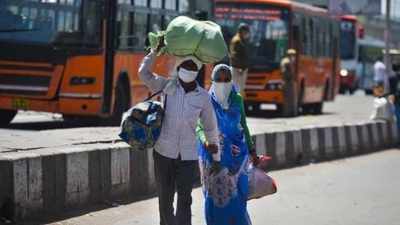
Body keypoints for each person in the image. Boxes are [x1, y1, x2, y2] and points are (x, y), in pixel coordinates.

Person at [138, 43, 220, 225]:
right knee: (165, 199)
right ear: (179, 68)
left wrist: (216, 157)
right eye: (185, 66)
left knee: (185, 199)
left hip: (188, 155)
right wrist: (153, 53)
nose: (188, 70)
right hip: (163, 152)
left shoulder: (203, 97)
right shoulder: (166, 86)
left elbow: (210, 127)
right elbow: (143, 74)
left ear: (197, 70)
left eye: (192, 67)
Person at [196, 64, 257, 225]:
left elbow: (243, 124)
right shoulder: (207, 101)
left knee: (238, 198)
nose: (223, 83)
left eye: (227, 79)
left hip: (238, 158)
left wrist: (252, 150)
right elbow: (199, 127)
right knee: (215, 199)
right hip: (214, 157)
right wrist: (206, 141)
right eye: (219, 79)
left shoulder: (237, 99)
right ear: (212, 80)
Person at [229, 23, 251, 95]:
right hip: (238, 69)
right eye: (246, 31)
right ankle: (236, 105)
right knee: (237, 90)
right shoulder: (237, 41)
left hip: (240, 68)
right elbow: (235, 55)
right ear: (242, 31)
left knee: (239, 90)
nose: (247, 33)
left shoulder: (241, 39)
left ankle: (238, 104)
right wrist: (240, 68)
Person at [280, 49, 298, 117]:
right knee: (287, 99)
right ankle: (286, 114)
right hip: (286, 82)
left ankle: (291, 113)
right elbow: (283, 70)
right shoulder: (286, 61)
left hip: (290, 82)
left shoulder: (291, 61)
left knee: (291, 99)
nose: (293, 56)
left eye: (293, 55)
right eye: (292, 55)